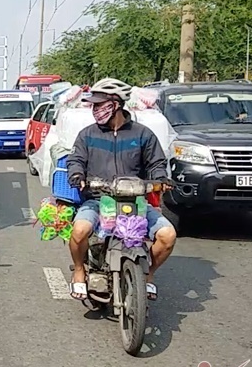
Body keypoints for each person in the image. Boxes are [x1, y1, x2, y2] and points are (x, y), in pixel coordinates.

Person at [64, 78, 177, 302]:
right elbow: (75, 160)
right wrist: (77, 176)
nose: (95, 109)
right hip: (97, 200)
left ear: (115, 104)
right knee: (78, 232)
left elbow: (156, 164)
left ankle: (148, 276)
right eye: (93, 105)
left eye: (99, 104)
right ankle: (79, 270)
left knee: (168, 236)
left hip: (136, 202)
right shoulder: (87, 135)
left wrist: (160, 179)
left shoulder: (143, 134)